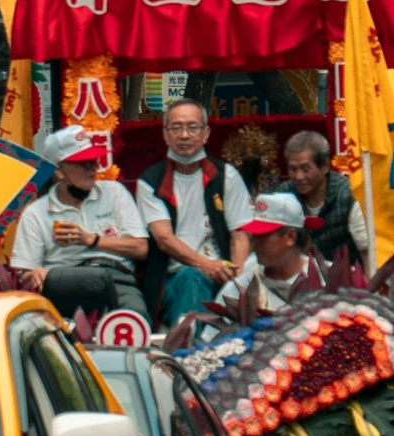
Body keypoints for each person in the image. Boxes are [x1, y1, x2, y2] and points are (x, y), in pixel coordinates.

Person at [10, 126, 152, 318]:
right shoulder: (36, 213)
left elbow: (141, 248)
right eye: (84, 163)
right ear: (60, 171)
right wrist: (35, 274)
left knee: (135, 319)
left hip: (116, 278)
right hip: (65, 283)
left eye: (95, 160)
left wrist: (91, 239)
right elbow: (26, 273)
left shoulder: (114, 192)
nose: (94, 168)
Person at [136, 100, 254, 324]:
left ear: (206, 133)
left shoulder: (225, 175)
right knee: (191, 277)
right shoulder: (150, 181)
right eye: (176, 127)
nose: (184, 135)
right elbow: (164, 239)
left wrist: (236, 284)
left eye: (192, 127)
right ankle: (188, 350)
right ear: (165, 134)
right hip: (171, 280)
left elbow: (240, 233)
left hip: (222, 275)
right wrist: (205, 265)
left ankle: (185, 347)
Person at [213, 191, 328, 315]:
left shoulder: (329, 278)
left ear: (291, 237)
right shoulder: (238, 289)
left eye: (263, 236)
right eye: (254, 236)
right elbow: (212, 334)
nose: (255, 244)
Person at [275, 131, 367, 274]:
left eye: (306, 169)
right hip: (296, 281)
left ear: (325, 166)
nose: (298, 177)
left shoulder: (348, 195)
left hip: (345, 283)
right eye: (293, 169)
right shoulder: (283, 195)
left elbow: (366, 253)